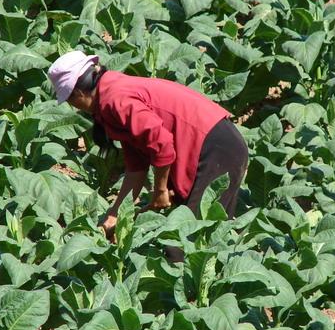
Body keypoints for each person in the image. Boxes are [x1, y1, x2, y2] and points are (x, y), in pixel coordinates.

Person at [48, 50, 249, 258]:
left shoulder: (115, 99)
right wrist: (115, 213)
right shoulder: (110, 93)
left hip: (217, 149)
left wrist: (160, 190)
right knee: (211, 237)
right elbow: (136, 167)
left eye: (70, 101)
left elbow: (162, 143)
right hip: (220, 144)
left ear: (77, 94)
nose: (75, 108)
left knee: (183, 247)